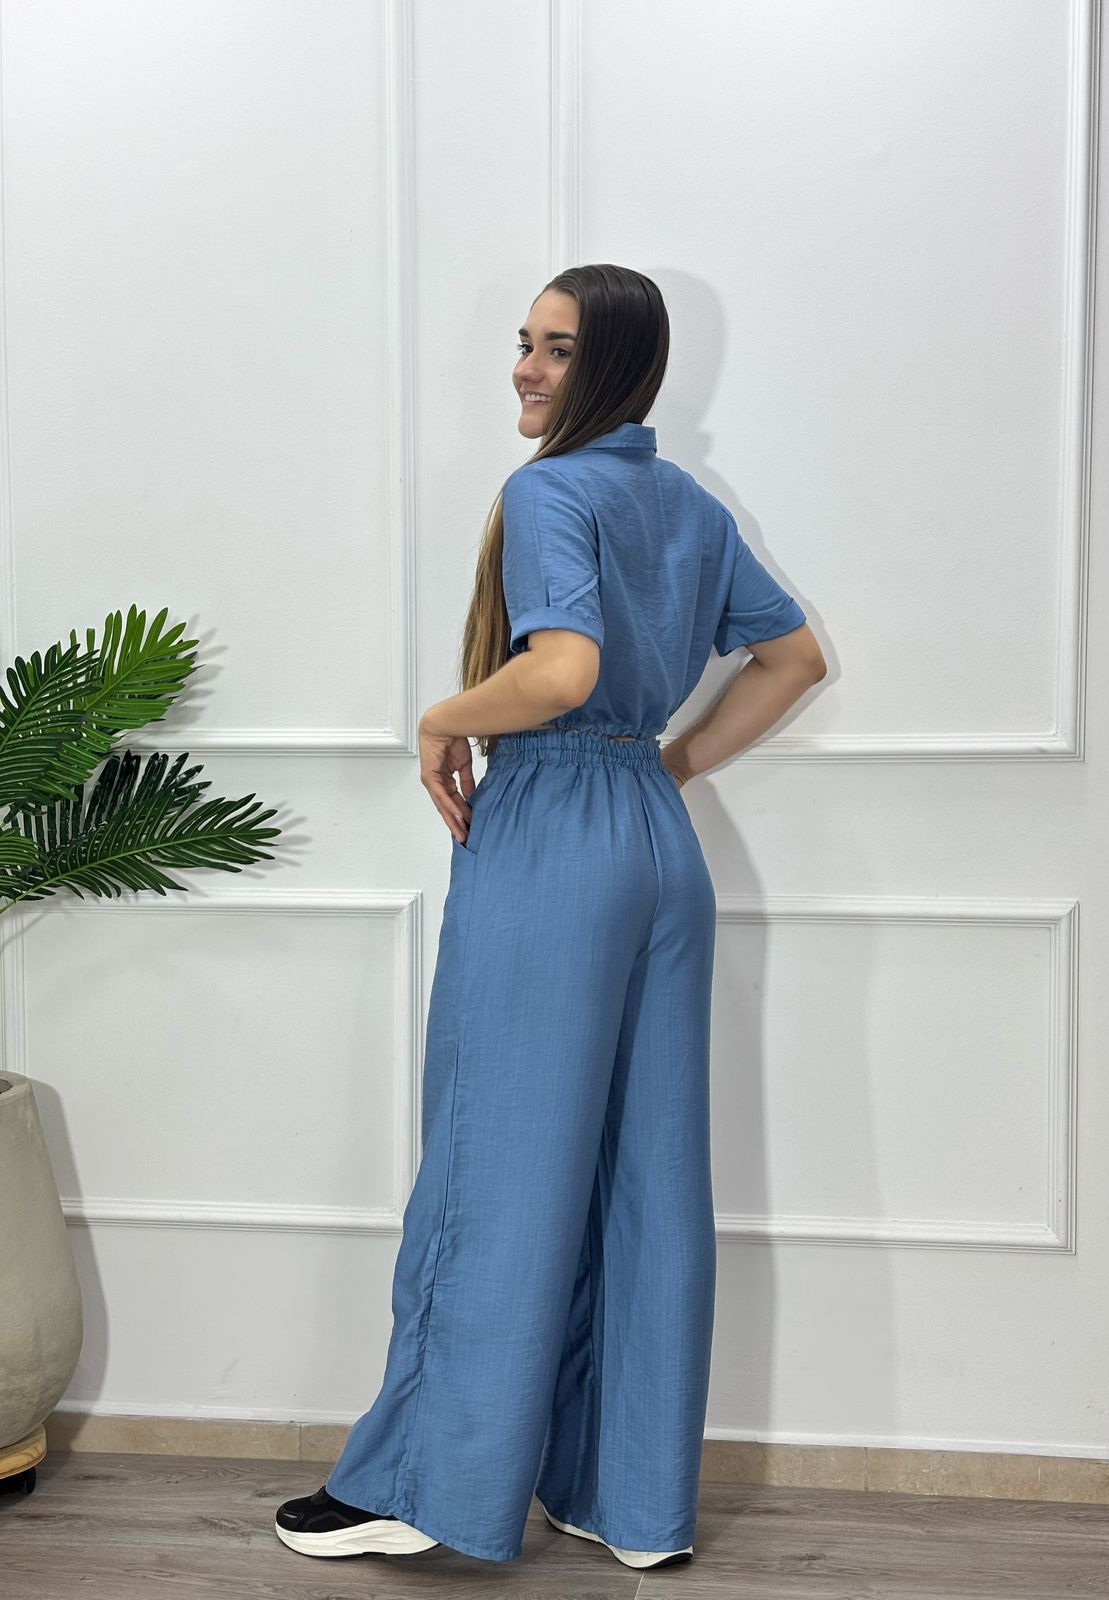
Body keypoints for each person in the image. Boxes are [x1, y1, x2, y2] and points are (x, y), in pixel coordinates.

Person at [274, 264, 827, 1569]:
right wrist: (665, 768)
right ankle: (625, 1498)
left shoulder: (549, 491)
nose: (527, 367)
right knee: (645, 1168)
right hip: (656, 846)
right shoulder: (685, 503)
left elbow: (562, 668)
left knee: (494, 1159)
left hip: (556, 842)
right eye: (525, 342)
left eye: (559, 349)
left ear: (615, 366)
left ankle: (424, 1487)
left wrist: (441, 716)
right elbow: (794, 658)